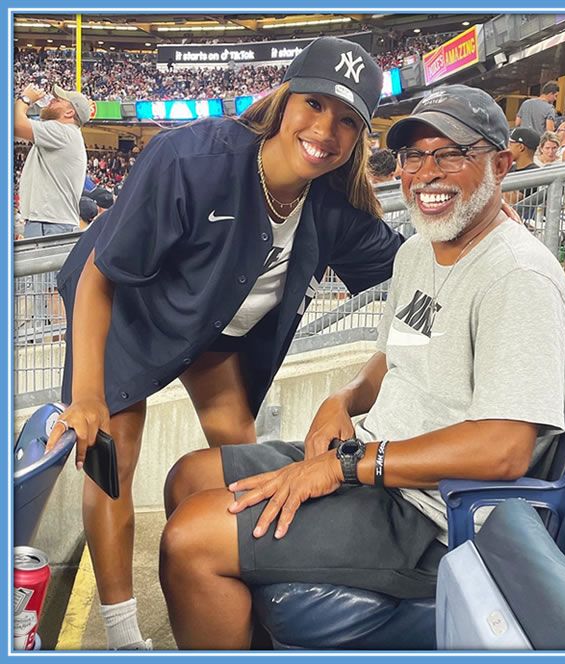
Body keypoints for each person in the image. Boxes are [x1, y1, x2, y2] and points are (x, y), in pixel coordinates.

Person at [158, 84, 565, 650]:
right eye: (414, 156)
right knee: (189, 476)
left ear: (501, 164)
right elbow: (393, 356)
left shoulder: (517, 278)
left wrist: (348, 467)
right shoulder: (417, 251)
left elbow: (505, 448)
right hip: (377, 465)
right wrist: (343, 399)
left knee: (190, 538)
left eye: (452, 154)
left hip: (434, 514)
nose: (427, 173)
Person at [46, 36, 401, 651]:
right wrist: (84, 398)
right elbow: (103, 275)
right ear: (286, 99)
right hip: (125, 306)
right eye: (315, 104)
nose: (326, 129)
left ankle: (246, 588)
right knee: (112, 456)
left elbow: (412, 268)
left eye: (348, 120)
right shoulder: (192, 157)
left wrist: (485, 227)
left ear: (360, 137)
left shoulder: (335, 207)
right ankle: (125, 635)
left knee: (238, 447)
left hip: (207, 323)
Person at [14, 83, 91, 237]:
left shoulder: (63, 131)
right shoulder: (62, 132)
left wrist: (26, 99)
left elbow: (15, 125)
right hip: (49, 221)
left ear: (69, 112)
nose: (50, 101)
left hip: (49, 223)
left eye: (58, 100)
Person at [504, 127, 540, 206]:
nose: (507, 147)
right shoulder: (510, 168)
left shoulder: (535, 173)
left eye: (510, 144)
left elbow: (514, 200)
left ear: (521, 147)